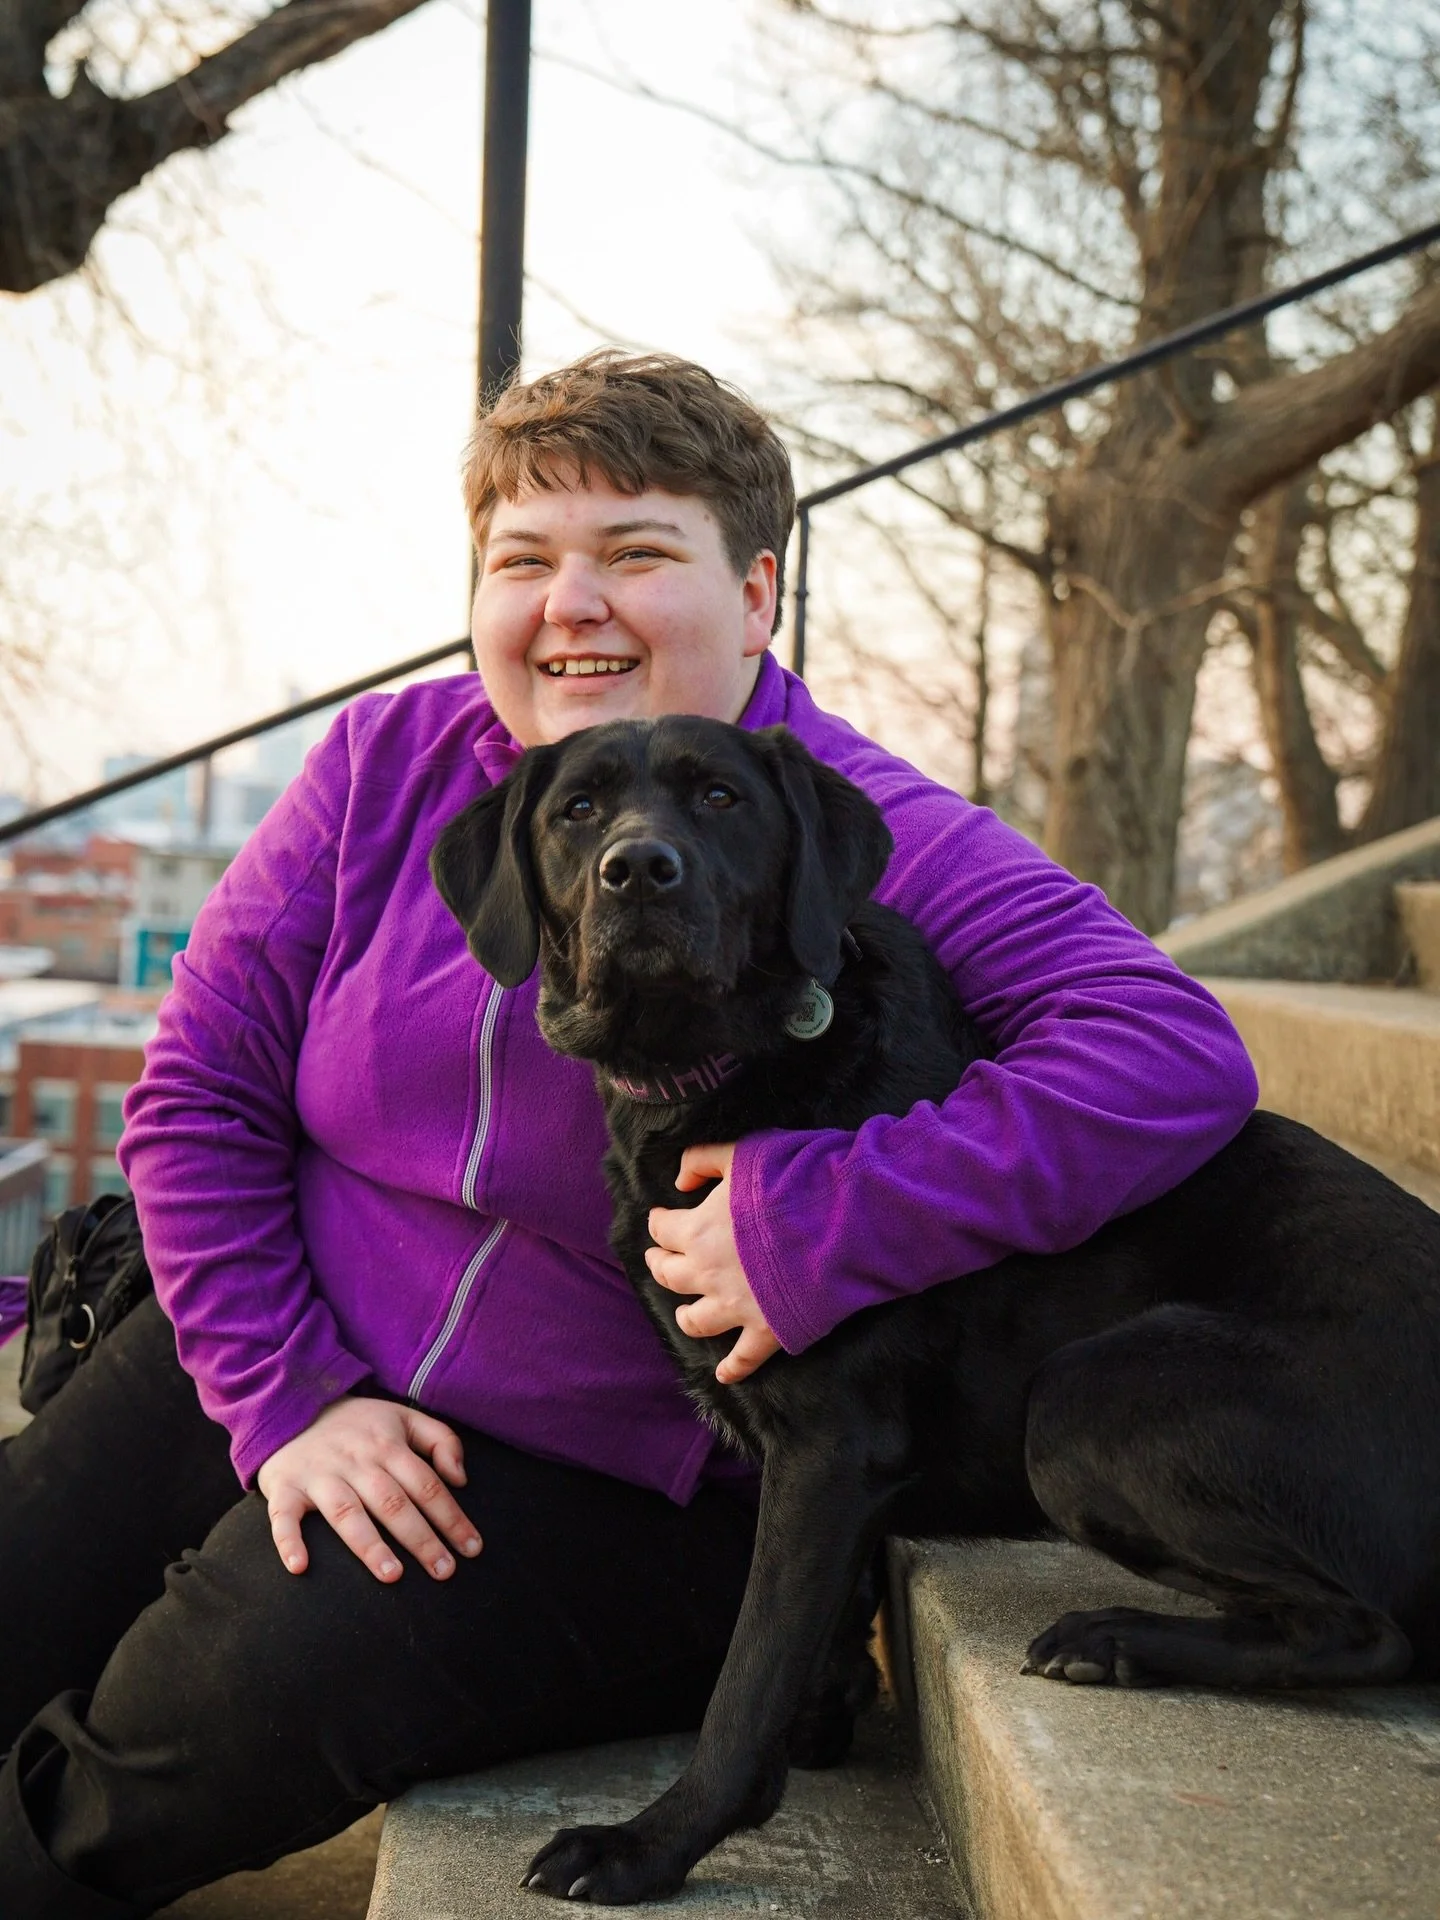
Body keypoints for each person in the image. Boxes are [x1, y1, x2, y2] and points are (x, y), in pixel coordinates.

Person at [0, 351, 1258, 1916]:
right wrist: (289, 1396)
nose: (570, 603)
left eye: (638, 553)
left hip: (611, 1479)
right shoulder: (380, 775)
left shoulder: (847, 822)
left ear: (758, 593)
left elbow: (1166, 1054)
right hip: (289, 1337)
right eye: (522, 561)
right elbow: (196, 1096)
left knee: (153, 1758)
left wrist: (824, 1218)